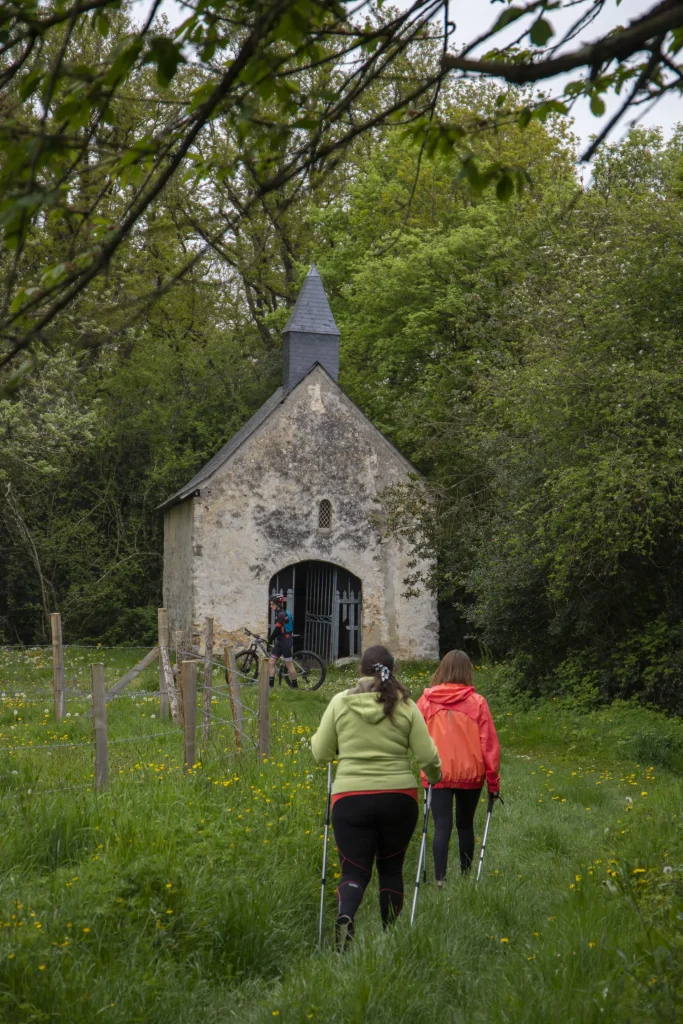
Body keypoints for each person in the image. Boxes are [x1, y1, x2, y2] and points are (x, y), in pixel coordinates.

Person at [311, 645, 441, 949]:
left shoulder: (339, 703)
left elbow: (321, 753)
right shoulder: (407, 706)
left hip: (350, 798)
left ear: (360, 671)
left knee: (354, 869)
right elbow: (427, 756)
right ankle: (390, 936)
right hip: (399, 798)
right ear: (392, 672)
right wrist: (435, 777)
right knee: (391, 868)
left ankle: (346, 915)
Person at [416, 650, 500, 885]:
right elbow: (489, 745)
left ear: (441, 669)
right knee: (465, 825)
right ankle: (465, 876)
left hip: (436, 773)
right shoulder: (478, 703)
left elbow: (417, 740)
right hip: (470, 774)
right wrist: (493, 782)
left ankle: (440, 880)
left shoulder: (425, 702)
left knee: (441, 825)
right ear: (467, 671)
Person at [268, 596, 297, 688]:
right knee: (271, 661)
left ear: (277, 604)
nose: (270, 606)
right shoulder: (280, 613)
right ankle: (271, 686)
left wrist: (269, 639)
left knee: (289, 664)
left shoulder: (281, 615)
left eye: (272, 604)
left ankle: (295, 686)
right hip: (280, 641)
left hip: (285, 641)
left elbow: (277, 630)